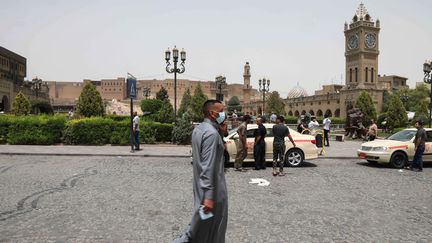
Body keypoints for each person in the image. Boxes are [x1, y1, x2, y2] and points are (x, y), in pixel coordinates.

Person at [173, 100, 228, 243]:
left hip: (201, 190)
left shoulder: (200, 129)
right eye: (221, 111)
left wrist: (221, 133)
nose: (224, 114)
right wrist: (209, 197)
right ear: (212, 113)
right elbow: (208, 166)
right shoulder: (211, 134)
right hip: (212, 196)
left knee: (202, 230)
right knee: (204, 231)